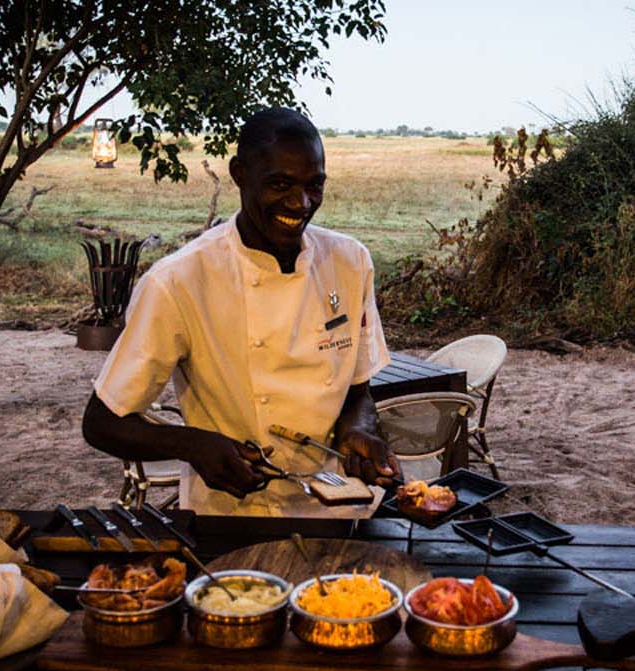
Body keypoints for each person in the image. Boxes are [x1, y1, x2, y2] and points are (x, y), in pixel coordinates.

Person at [81, 107, 400, 518]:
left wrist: (358, 429)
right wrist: (193, 444)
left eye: (313, 185)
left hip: (340, 505)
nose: (300, 203)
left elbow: (358, 389)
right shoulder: (179, 281)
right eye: (280, 184)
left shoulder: (350, 262)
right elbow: (102, 422)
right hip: (237, 513)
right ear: (239, 174)